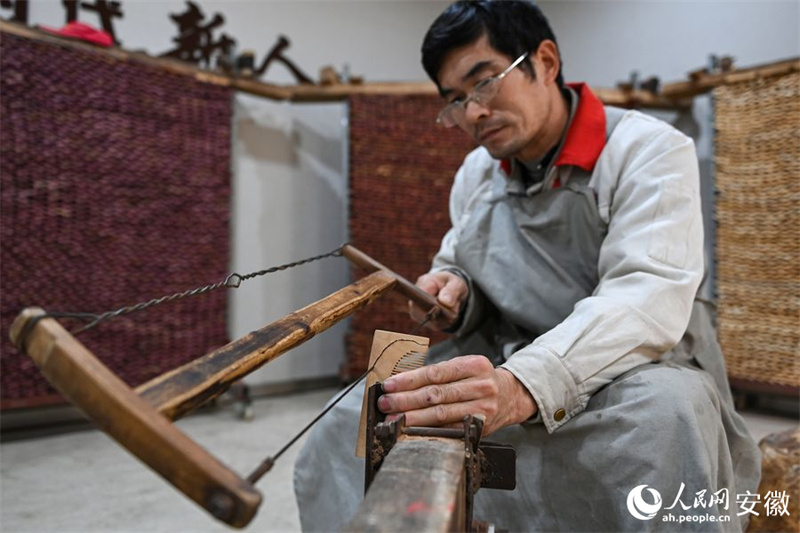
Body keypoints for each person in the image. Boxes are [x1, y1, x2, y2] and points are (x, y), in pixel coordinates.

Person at [294, 1, 760, 530]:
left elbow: (645, 300)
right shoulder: (476, 173)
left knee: (665, 418)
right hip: (508, 359)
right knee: (352, 419)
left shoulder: (648, 151)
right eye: (454, 102)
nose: (472, 113)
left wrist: (522, 387)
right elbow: (459, 259)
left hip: (637, 370)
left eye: (484, 83)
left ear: (545, 61)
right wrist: (455, 292)